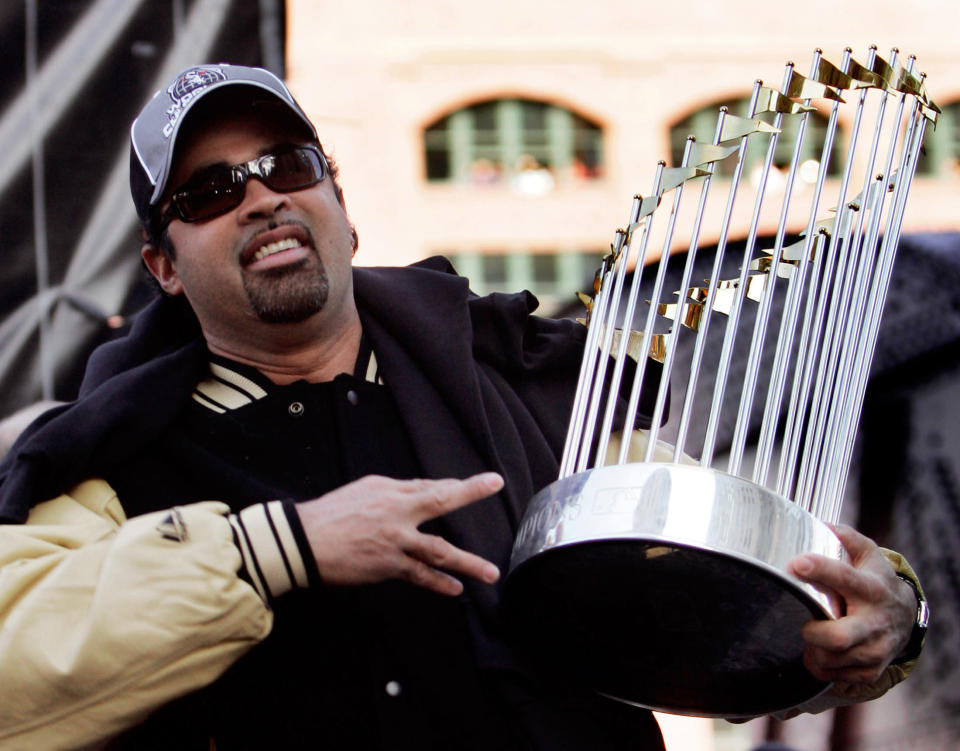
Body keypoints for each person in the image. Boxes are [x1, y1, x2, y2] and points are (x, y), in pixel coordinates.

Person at [0, 65, 926, 750]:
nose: (262, 199)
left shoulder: (531, 390)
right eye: (210, 190)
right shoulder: (110, 457)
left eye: (288, 164)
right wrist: (280, 547)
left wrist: (877, 617)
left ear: (339, 204)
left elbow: (725, 610)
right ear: (162, 265)